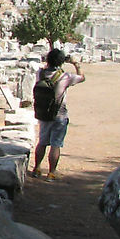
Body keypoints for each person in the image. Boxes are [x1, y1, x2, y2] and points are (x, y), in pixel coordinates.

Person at [31, 48, 85, 180]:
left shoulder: (40, 73)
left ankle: (37, 168)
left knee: (42, 142)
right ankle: (51, 173)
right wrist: (75, 64)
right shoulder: (65, 77)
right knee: (56, 144)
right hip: (59, 115)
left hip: (43, 114)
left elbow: (44, 68)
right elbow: (82, 77)